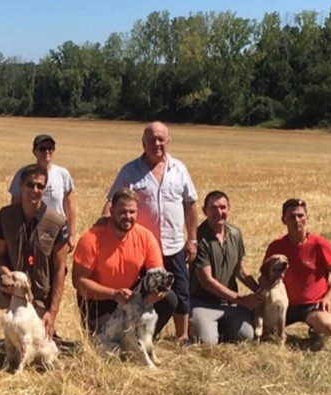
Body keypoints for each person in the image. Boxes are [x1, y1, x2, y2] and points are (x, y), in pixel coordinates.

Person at [0, 164, 70, 364]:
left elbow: (59, 271)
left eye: (40, 186)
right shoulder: (5, 215)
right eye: (30, 185)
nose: (35, 190)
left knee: (42, 355)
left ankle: (43, 331)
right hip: (8, 288)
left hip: (37, 297)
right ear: (21, 185)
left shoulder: (57, 222)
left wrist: (52, 312)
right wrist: (5, 275)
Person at [104, 121, 198, 343]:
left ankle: (182, 335)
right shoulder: (130, 171)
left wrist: (192, 239)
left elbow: (190, 204)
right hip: (141, 247)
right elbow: (112, 201)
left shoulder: (179, 169)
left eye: (161, 139)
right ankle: (139, 333)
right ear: (143, 142)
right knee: (142, 294)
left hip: (173, 244)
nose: (157, 143)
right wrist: (105, 225)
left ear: (168, 141)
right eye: (152, 139)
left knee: (181, 290)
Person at [74, 189, 177, 335]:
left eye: (132, 212)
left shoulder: (145, 236)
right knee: (106, 347)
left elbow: (158, 273)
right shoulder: (91, 238)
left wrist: (157, 293)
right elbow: (78, 281)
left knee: (169, 300)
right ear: (111, 210)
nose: (127, 217)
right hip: (99, 300)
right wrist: (113, 294)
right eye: (122, 212)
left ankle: (142, 340)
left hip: (131, 296)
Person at [264, 198, 331, 348]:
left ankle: (315, 330)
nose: (297, 220)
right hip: (282, 303)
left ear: (307, 218)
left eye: (300, 216)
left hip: (312, 305)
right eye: (291, 216)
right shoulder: (275, 247)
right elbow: (264, 276)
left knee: (328, 326)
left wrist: (328, 298)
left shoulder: (320, 244)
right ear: (283, 220)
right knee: (254, 330)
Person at [189, 191, 263, 344]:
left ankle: (222, 326)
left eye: (222, 207)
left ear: (229, 208)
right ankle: (206, 326)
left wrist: (260, 293)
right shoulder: (199, 238)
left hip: (230, 304)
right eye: (213, 208)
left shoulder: (235, 234)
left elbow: (240, 270)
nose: (219, 212)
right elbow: (206, 281)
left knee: (248, 338)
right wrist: (241, 299)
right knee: (207, 343)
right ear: (204, 211)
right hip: (203, 303)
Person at [8, 134, 77, 250]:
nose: (47, 152)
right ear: (34, 152)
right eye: (42, 148)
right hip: (31, 229)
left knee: (58, 267)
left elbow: (70, 208)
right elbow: (15, 205)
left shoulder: (63, 174)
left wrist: (71, 235)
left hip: (57, 231)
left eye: (50, 148)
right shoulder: (23, 174)